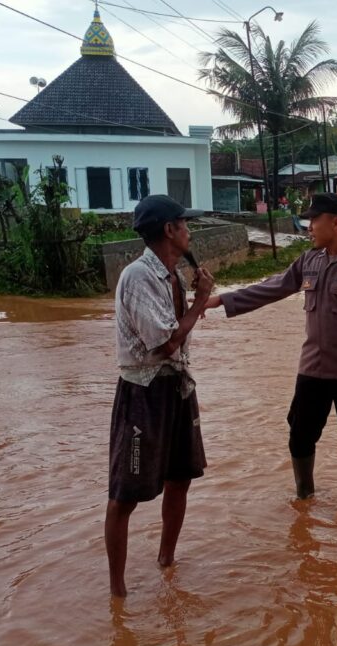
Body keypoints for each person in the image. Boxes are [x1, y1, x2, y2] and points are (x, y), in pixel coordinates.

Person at [205, 192, 337, 508]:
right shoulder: (309, 261)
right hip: (312, 372)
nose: (308, 227)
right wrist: (223, 300)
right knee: (300, 437)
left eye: (313, 220)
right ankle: (304, 500)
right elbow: (273, 287)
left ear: (335, 222)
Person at [105, 195, 215, 598]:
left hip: (178, 387)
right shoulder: (137, 277)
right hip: (144, 391)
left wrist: (195, 297)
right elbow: (166, 343)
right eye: (185, 224)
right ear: (169, 230)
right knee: (124, 494)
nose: (190, 230)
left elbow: (177, 337)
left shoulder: (172, 276)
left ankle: (167, 560)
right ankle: (118, 591)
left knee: (181, 477)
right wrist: (201, 300)